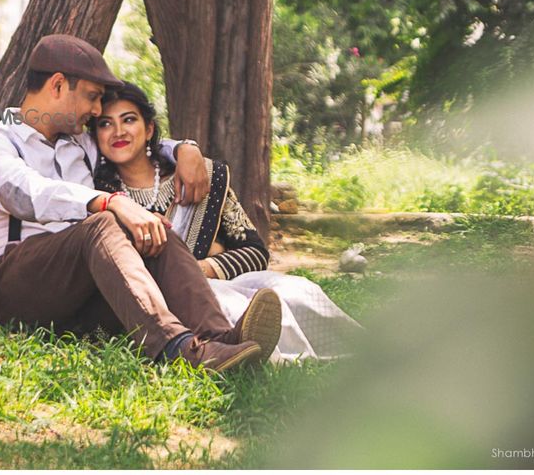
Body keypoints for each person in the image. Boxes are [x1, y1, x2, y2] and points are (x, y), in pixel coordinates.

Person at [0, 35, 282, 373]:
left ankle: (222, 341)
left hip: (75, 299)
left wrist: (185, 149)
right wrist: (108, 201)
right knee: (102, 224)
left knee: (155, 228)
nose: (97, 111)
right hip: (10, 292)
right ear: (57, 86)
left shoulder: (79, 144)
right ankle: (178, 350)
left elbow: (135, 141)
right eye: (92, 97)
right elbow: (25, 193)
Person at [90, 82, 362, 361]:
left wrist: (202, 267)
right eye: (105, 124)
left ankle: (362, 351)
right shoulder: (99, 195)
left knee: (295, 290)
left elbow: (255, 253)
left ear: (149, 129)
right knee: (229, 304)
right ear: (95, 136)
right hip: (168, 301)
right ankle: (271, 360)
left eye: (129, 120)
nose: (119, 132)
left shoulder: (203, 177)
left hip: (216, 278)